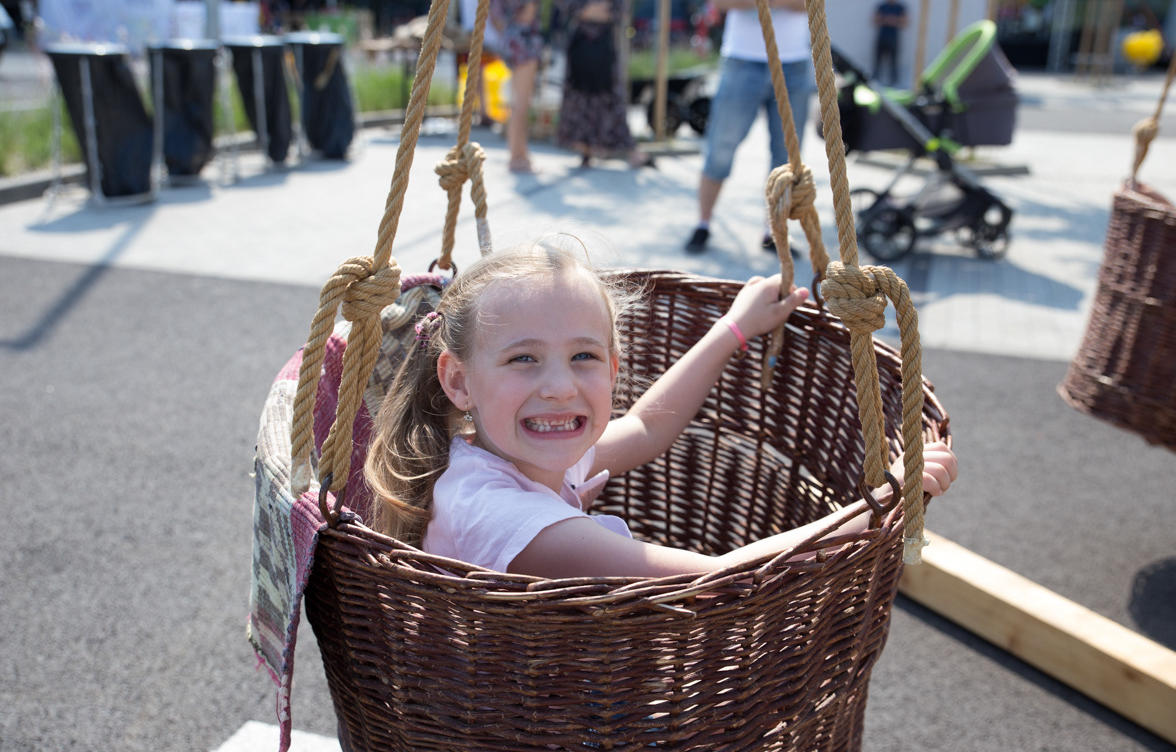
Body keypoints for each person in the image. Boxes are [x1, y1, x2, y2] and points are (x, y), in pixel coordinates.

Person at [363, 239, 958, 579]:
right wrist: (876, 506)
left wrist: (733, 329)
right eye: (524, 359)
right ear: (458, 382)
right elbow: (717, 577)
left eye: (583, 356)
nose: (561, 387)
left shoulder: (517, 450)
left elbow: (647, 427)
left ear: (613, 368)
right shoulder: (498, 512)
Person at [684, 0, 827, 255]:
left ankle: (774, 232)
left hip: (792, 65)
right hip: (741, 61)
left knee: (786, 156)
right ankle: (702, 224)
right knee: (720, 146)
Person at [556, 0, 654, 169]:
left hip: (604, 46)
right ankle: (585, 149)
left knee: (611, 96)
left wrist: (588, 10)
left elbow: (619, 10)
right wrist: (593, 10)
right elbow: (570, 8)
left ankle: (628, 149)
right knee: (581, 95)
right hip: (580, 46)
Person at [492, 0, 545, 174]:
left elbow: (495, 12)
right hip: (525, 40)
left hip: (511, 37)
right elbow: (530, 7)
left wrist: (509, 29)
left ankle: (521, 153)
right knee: (522, 104)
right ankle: (517, 156)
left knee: (517, 102)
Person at [872, 0, 908, 87]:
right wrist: (891, 20)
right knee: (878, 61)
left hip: (893, 38)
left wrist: (889, 20)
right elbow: (876, 19)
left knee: (894, 62)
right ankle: (875, 82)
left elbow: (904, 21)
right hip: (882, 37)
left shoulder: (899, 7)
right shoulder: (882, 6)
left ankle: (894, 83)